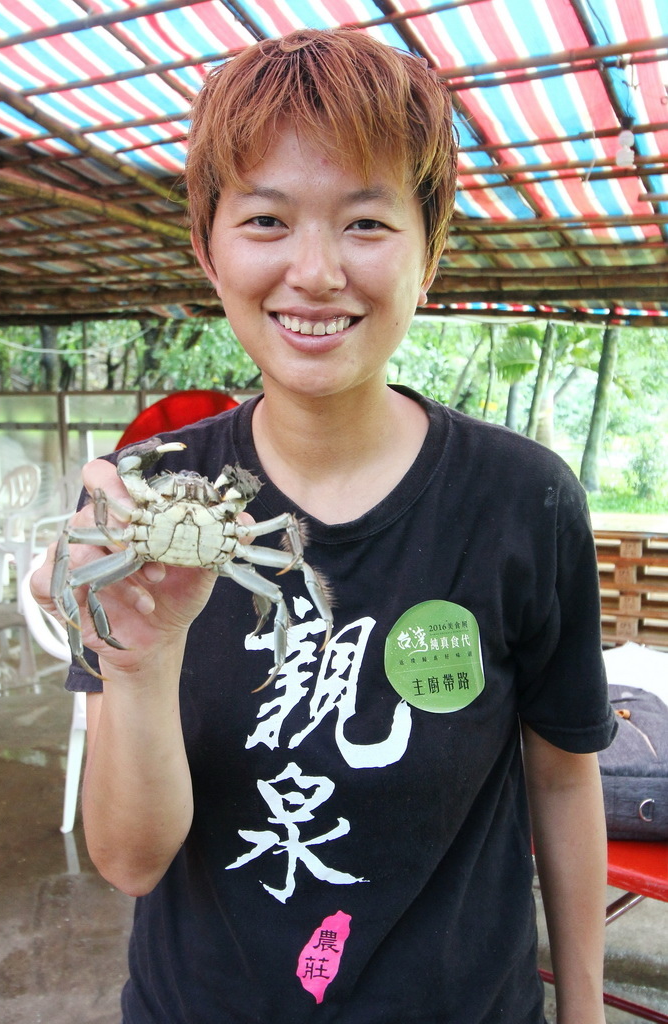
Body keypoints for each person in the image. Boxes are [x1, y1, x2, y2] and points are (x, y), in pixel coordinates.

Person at [32, 28, 616, 1024]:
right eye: (264, 219)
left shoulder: (525, 499)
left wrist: (584, 1012)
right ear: (207, 252)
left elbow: (560, 784)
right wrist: (136, 662)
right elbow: (130, 862)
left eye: (363, 222)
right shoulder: (141, 496)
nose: (313, 271)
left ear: (428, 254)